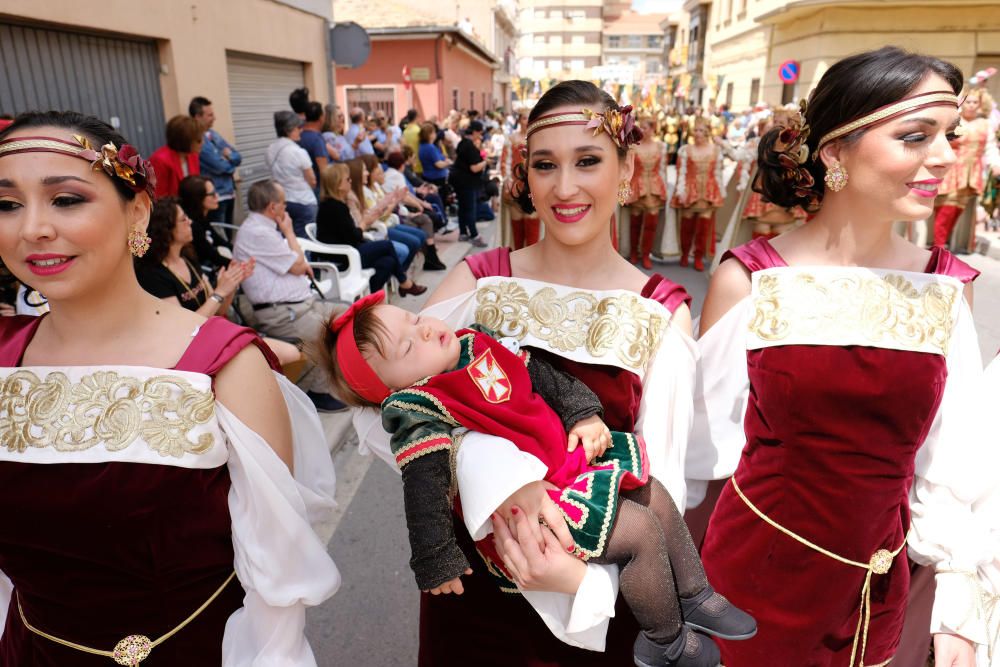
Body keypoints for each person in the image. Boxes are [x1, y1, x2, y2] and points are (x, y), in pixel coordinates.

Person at [350, 79, 700, 666]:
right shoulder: (480, 279)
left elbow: (664, 477)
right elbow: (382, 412)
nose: (565, 188)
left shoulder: (660, 308)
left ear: (625, 169)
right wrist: (500, 475)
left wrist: (587, 586)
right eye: (545, 165)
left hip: (592, 581)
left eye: (587, 161)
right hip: (476, 591)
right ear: (525, 175)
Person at [0, 110, 340, 664]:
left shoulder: (226, 365)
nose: (32, 227)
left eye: (65, 199)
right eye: (7, 204)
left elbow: (274, 578)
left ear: (136, 211)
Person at [688, 47, 989, 667]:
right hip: (750, 585)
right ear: (834, 153)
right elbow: (696, 451)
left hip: (879, 589)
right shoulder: (754, 278)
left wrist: (960, 603)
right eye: (915, 136)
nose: (942, 156)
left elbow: (955, 455)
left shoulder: (942, 287)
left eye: (947, 136)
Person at [324, 293, 755, 667]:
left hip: (569, 465)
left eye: (416, 319)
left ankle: (695, 595)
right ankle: (665, 642)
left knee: (655, 494)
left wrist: (582, 413)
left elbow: (544, 378)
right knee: (640, 530)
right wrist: (435, 557)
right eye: (406, 347)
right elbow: (422, 486)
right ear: (393, 389)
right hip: (544, 510)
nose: (425, 331)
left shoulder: (474, 342)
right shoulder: (419, 407)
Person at [231, 179, 346, 413]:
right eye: (284, 203)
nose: (287, 207)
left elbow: (297, 263)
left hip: (300, 303)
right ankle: (317, 393)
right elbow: (297, 264)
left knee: (348, 313)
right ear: (272, 207)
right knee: (324, 335)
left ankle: (339, 378)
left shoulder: (263, 229)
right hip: (281, 312)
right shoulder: (257, 232)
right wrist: (289, 231)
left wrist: (295, 256)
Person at [315, 163, 427, 295]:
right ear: (339, 185)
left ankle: (372, 298)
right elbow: (353, 237)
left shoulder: (335, 204)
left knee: (388, 262)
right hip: (342, 256)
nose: (350, 181)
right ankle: (405, 283)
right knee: (387, 246)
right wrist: (364, 222)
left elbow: (350, 235)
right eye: (347, 179)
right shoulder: (334, 207)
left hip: (349, 249)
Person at [932, 88, 1000, 248]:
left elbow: (990, 147)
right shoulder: (953, 119)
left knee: (958, 206)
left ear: (980, 104)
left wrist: (996, 163)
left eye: (974, 102)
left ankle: (945, 244)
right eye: (968, 101)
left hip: (971, 171)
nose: (970, 105)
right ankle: (938, 245)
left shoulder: (985, 125)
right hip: (949, 168)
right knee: (945, 204)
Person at [360, 153, 445, 271]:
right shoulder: (366, 191)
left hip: (392, 219)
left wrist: (395, 201)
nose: (380, 172)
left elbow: (398, 199)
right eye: (376, 170)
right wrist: (396, 201)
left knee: (422, 229)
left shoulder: (375, 186)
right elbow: (381, 216)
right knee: (414, 240)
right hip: (383, 226)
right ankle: (402, 276)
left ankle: (424, 260)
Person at [671, 117, 728, 271]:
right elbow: (681, 173)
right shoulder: (686, 150)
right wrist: (680, 190)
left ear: (708, 132)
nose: (697, 133)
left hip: (709, 192)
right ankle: (684, 254)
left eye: (701, 130)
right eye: (695, 130)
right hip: (690, 191)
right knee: (687, 226)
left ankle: (698, 257)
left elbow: (718, 173)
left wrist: (720, 191)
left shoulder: (716, 150)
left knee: (703, 228)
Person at [190, 96, 242, 225]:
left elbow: (237, 156)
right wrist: (229, 161)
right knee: (220, 237)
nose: (214, 118)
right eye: (210, 115)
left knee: (229, 236)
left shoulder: (214, 134)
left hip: (229, 192)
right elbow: (220, 166)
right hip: (216, 197)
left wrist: (229, 157)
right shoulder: (197, 139)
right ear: (198, 117)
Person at [266, 110, 317, 238]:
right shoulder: (298, 152)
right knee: (306, 241)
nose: (301, 130)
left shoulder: (270, 149)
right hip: (303, 201)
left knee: (285, 239)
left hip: (281, 201)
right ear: (290, 129)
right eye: (299, 127)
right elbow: (312, 180)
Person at [626, 115, 668, 269]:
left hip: (655, 188)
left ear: (652, 129)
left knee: (651, 224)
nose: (641, 130)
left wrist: (666, 190)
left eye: (645, 127)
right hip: (637, 187)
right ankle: (633, 253)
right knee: (635, 223)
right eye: (640, 126)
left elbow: (663, 169)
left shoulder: (660, 147)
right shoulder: (632, 146)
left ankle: (646, 254)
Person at [178, 174, 231, 270]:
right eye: (212, 194)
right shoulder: (192, 226)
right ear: (198, 199)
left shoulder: (202, 217)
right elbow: (212, 256)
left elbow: (218, 240)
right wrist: (240, 264)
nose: (217, 196)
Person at [450, 120, 489, 247]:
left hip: (458, 179)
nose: (481, 136)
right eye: (480, 133)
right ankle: (474, 235)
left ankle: (463, 232)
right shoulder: (470, 147)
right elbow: (474, 168)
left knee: (462, 207)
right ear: (475, 132)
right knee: (470, 208)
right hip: (466, 181)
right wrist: (485, 162)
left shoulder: (462, 143)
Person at [149, 114, 202, 198]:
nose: (202, 143)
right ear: (185, 140)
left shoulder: (193, 156)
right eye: (199, 140)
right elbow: (158, 197)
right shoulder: (159, 160)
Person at [298, 101, 330, 193]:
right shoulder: (317, 139)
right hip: (316, 189)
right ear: (321, 117)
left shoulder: (299, 135)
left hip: (302, 187)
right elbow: (323, 169)